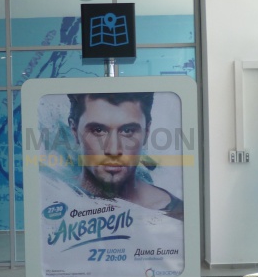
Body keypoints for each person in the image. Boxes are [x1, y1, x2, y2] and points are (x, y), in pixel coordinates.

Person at [67, 92, 183, 220]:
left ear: (147, 132)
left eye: (127, 131)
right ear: (74, 130)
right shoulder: (53, 194)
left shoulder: (176, 216)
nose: (113, 150)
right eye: (98, 130)